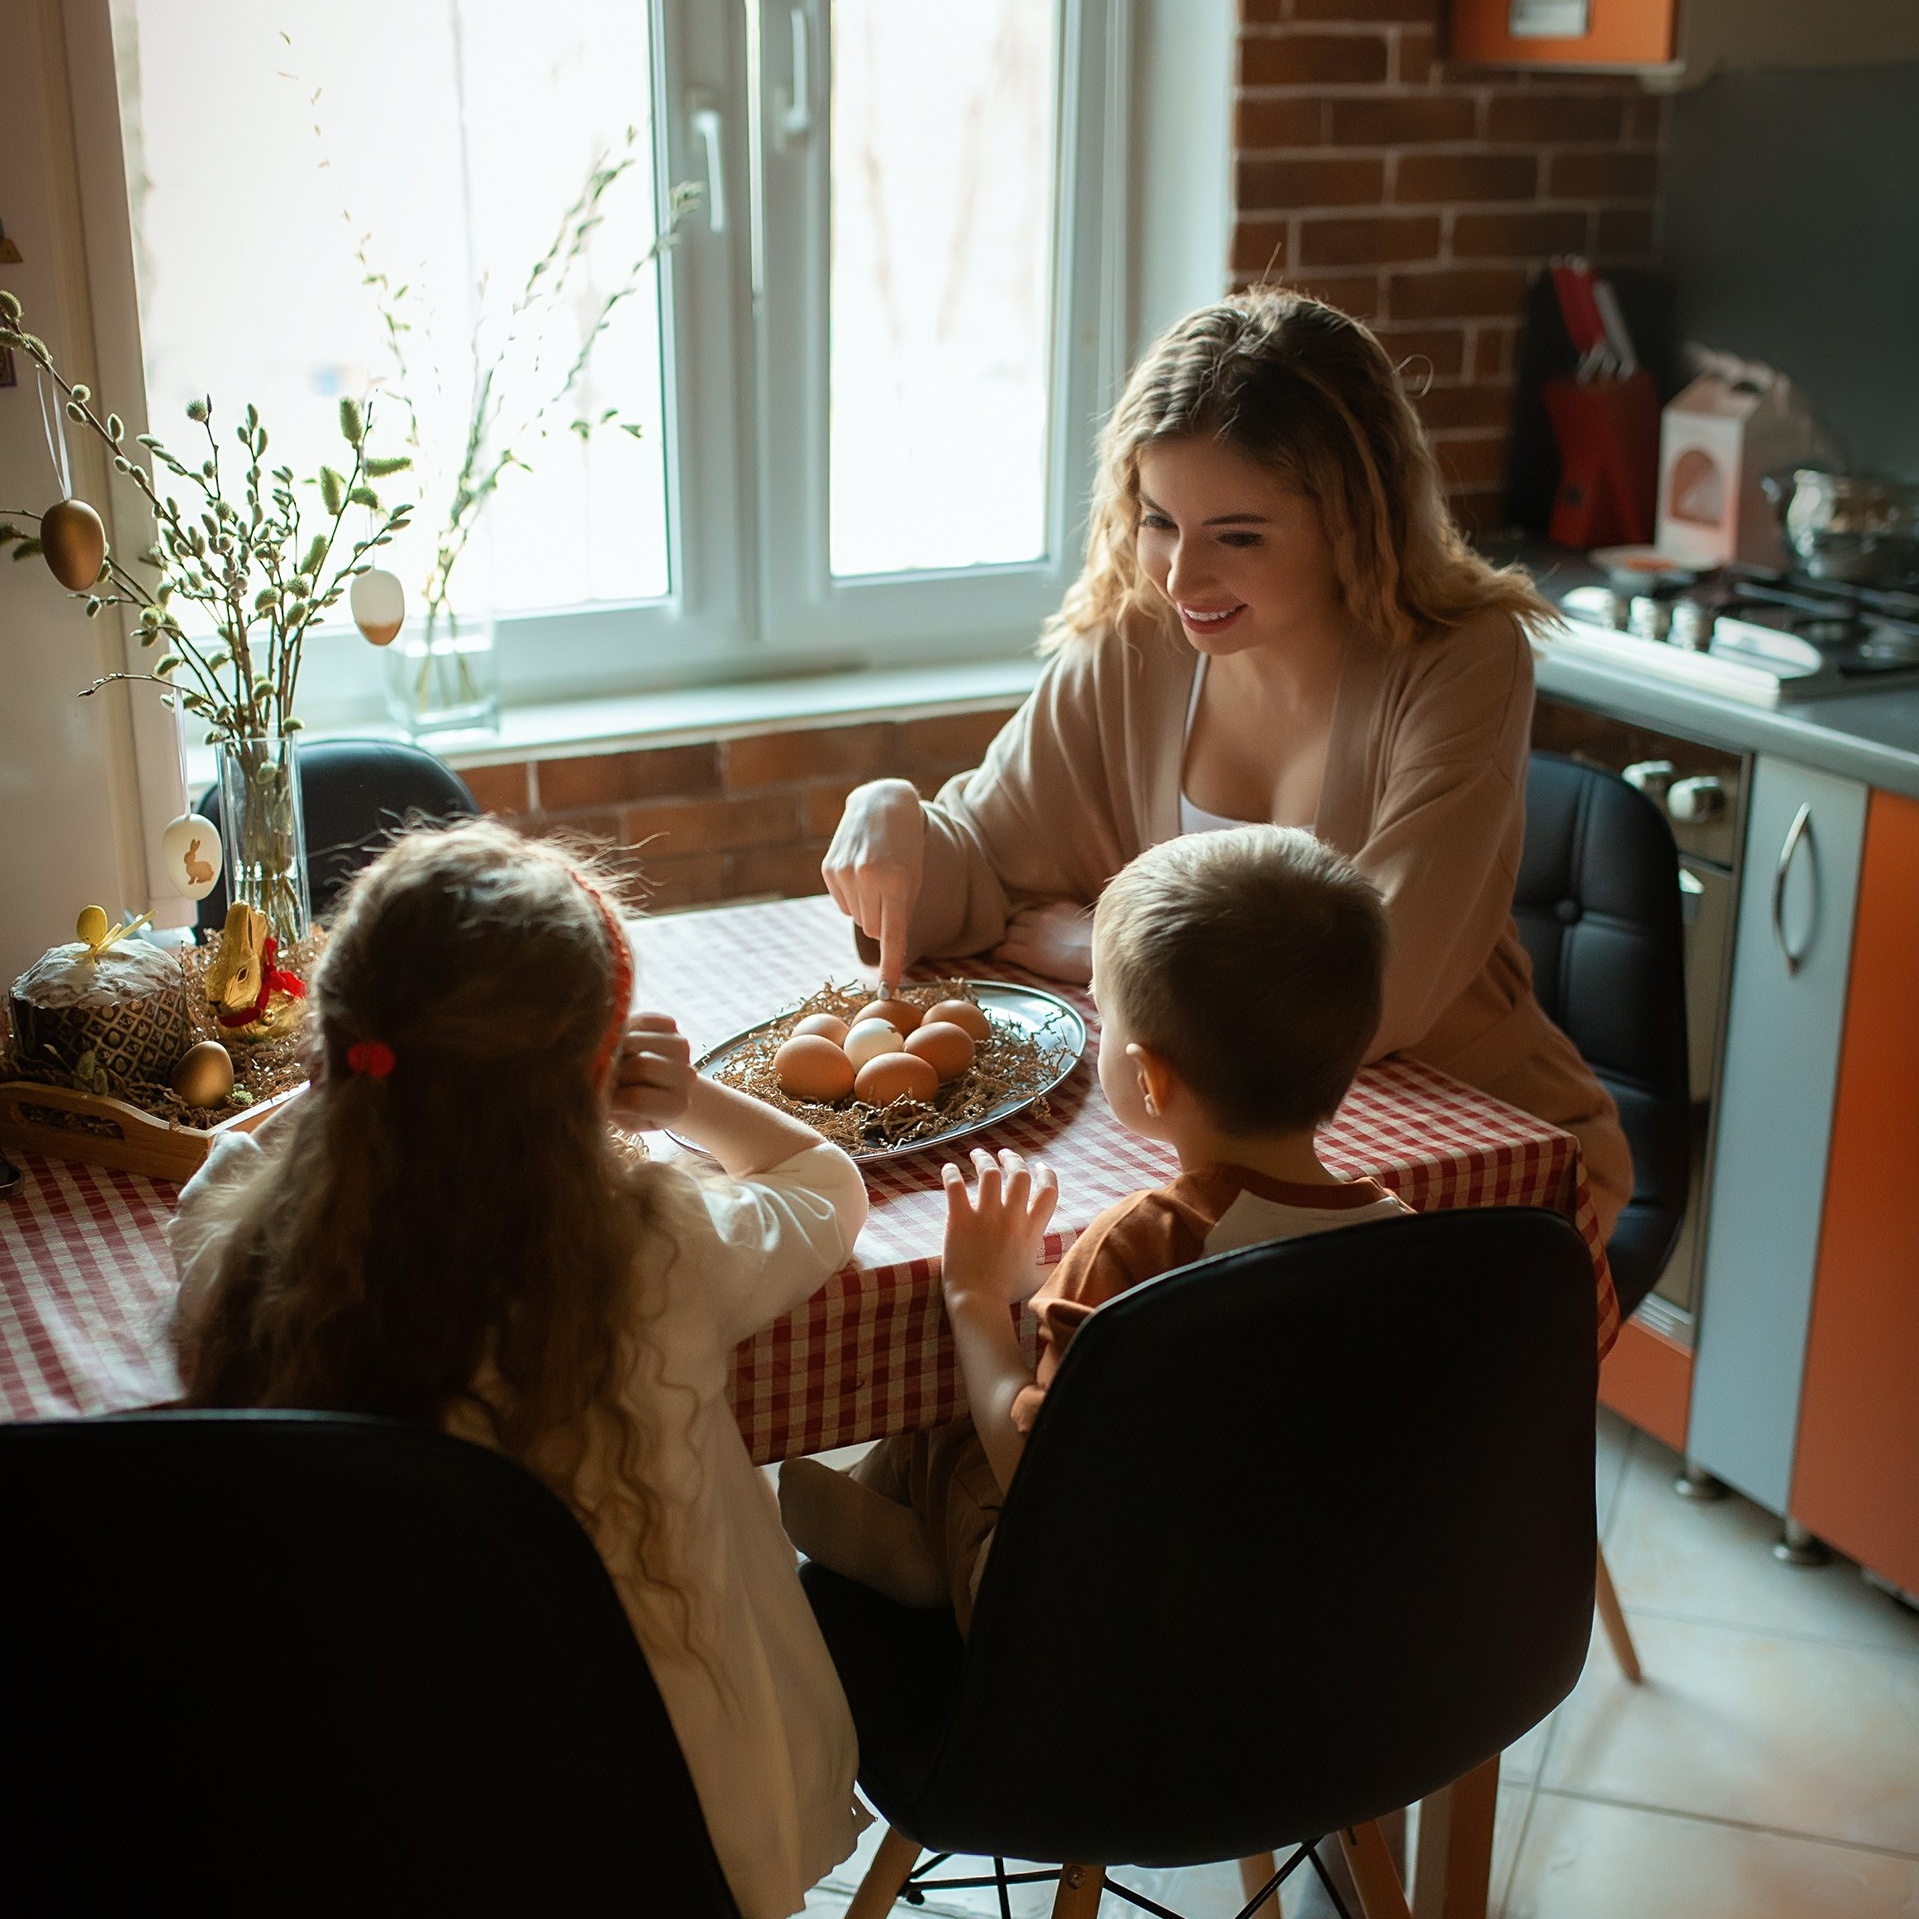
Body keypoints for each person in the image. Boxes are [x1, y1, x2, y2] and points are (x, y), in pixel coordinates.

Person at [166, 820, 870, 1919]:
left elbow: (218, 1174)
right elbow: (824, 1187)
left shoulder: (253, 1258)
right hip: (665, 1823)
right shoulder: (647, 1245)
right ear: (594, 1069)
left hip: (386, 1818)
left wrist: (347, 1099)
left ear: (345, 1046)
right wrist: (684, 1102)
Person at [822, 288, 1632, 1237]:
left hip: (1480, 1157)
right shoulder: (1138, 637)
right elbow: (989, 869)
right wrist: (896, 815)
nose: (1178, 576)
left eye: (1236, 535)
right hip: (1225, 1158)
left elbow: (1378, 991)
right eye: (1158, 520)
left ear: (1354, 519)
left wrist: (1107, 953)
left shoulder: (1464, 657)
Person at [782, 826, 1411, 1631]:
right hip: (1288, 1606)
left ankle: (927, 1557)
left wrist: (976, 1294)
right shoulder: (1401, 1232)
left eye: (1103, 1016)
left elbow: (1035, 1472)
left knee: (947, 1419)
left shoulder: (1136, 1244)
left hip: (1101, 1639)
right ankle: (906, 1519)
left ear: (1149, 1076)